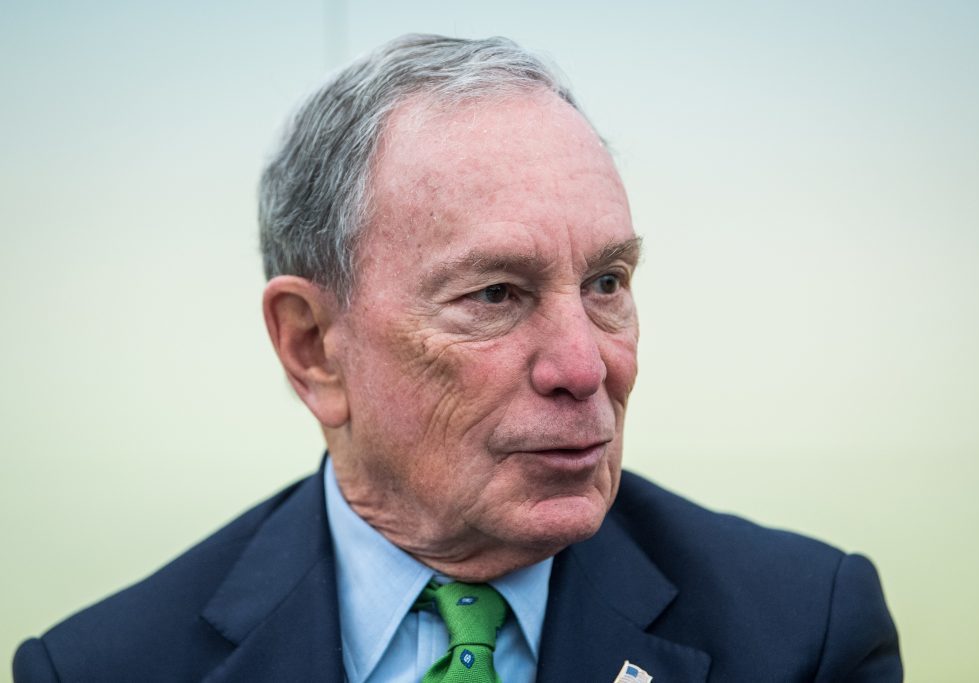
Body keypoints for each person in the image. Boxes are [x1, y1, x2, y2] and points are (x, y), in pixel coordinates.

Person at [13, 34, 901, 682]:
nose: (585, 368)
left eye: (605, 281)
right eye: (496, 295)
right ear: (313, 346)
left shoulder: (804, 634)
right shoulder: (102, 667)